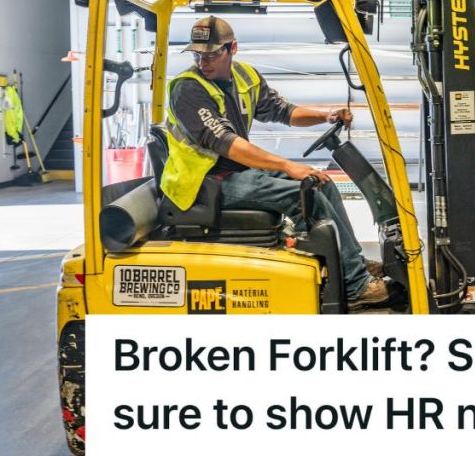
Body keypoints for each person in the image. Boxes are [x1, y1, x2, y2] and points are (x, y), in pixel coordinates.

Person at [159, 16, 388, 311]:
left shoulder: (244, 77)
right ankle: (355, 286)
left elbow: (284, 111)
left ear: (233, 49)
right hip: (202, 184)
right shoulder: (188, 89)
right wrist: (287, 166)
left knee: (322, 183)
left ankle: (350, 261)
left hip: (232, 171)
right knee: (305, 196)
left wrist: (326, 115)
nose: (204, 61)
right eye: (198, 54)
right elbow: (226, 143)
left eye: (213, 53)